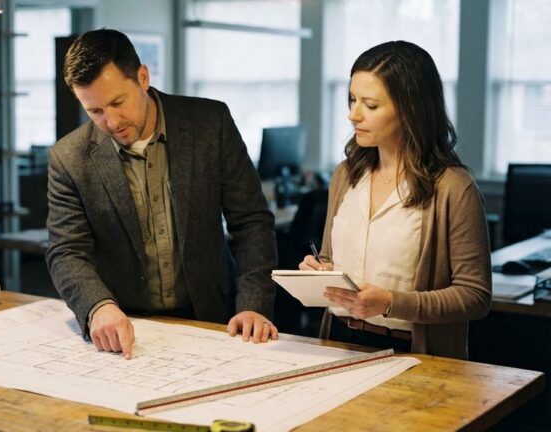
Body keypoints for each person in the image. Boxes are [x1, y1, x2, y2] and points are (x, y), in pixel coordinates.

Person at [46, 29, 278, 359]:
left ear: (142, 77)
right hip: (127, 327)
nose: (111, 121)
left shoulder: (210, 124)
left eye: (117, 102)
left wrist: (253, 305)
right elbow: (67, 251)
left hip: (215, 319)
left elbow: (251, 221)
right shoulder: (68, 157)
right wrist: (97, 306)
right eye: (95, 111)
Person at [299, 41, 491, 359]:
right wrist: (321, 270)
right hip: (338, 341)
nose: (353, 114)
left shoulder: (454, 188)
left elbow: (475, 296)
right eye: (352, 99)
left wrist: (390, 302)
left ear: (410, 109)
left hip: (412, 351)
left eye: (370, 105)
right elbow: (332, 258)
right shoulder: (346, 175)